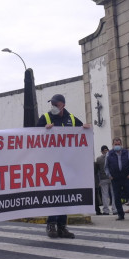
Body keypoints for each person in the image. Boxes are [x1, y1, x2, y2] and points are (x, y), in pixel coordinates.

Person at [36, 94, 91, 238]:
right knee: (54, 195)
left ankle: (62, 226)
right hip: (51, 164)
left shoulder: (71, 119)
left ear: (63, 105)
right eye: (52, 103)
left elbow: (82, 131)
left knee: (65, 195)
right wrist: (43, 130)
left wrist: (85, 128)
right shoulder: (45, 118)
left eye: (56, 104)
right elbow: (32, 135)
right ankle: (51, 223)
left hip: (67, 164)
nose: (53, 106)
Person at [106, 137, 129, 220]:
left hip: (126, 177)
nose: (117, 146)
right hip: (115, 178)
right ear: (113, 145)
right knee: (117, 197)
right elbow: (106, 167)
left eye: (118, 144)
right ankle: (120, 214)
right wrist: (109, 175)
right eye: (115, 144)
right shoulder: (109, 154)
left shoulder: (127, 152)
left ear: (121, 144)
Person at [95, 145, 115, 215]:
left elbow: (97, 170)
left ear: (101, 151)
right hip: (112, 177)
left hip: (103, 179)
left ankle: (106, 210)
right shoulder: (111, 157)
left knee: (104, 195)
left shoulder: (98, 159)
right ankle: (114, 209)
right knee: (113, 194)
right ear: (108, 150)